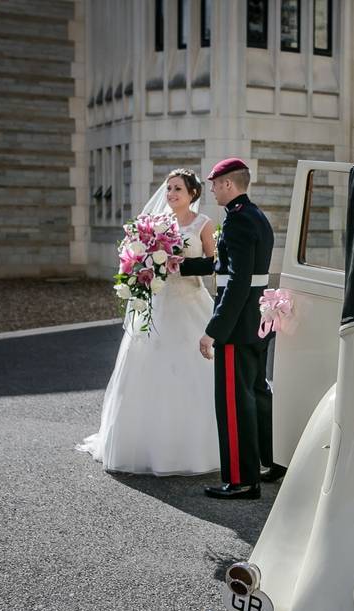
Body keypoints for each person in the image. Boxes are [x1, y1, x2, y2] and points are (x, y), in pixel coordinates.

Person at [76, 168, 220, 475]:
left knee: (194, 371)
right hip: (160, 301)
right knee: (147, 367)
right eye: (168, 189)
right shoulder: (156, 224)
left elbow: (213, 263)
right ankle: (143, 445)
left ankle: (195, 447)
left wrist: (182, 263)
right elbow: (140, 256)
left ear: (192, 193)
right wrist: (145, 264)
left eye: (178, 189)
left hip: (190, 302)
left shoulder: (203, 224)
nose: (171, 195)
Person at [179, 158, 283, 499]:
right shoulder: (255, 216)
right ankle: (266, 464)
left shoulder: (238, 222)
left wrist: (214, 330)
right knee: (256, 393)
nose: (211, 189)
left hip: (237, 327)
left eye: (214, 183)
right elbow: (227, 266)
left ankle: (241, 480)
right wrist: (183, 265)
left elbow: (236, 283)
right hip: (257, 321)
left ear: (227, 184)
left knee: (235, 402)